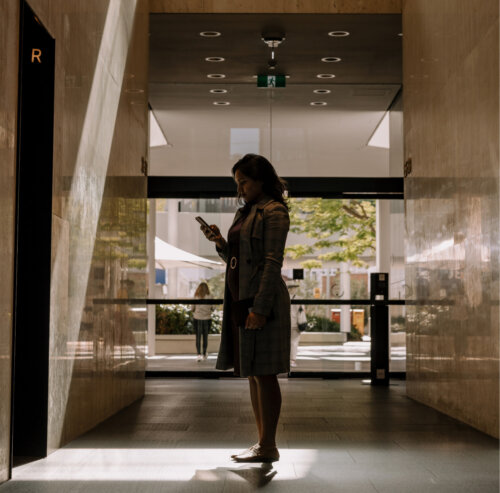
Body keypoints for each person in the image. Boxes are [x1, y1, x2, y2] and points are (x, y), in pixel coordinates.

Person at [200, 153, 290, 463]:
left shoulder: (274, 212)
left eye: (244, 182)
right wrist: (222, 244)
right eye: (237, 183)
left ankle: (268, 445)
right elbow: (239, 262)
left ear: (261, 180)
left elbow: (271, 262)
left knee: (264, 373)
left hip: (261, 300)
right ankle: (262, 442)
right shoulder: (246, 212)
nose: (240, 188)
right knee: (252, 373)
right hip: (242, 298)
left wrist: (261, 308)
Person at [192, 282, 212, 361]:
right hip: (207, 319)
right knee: (205, 337)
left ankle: (198, 354)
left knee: (198, 337)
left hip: (197, 318)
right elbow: (213, 308)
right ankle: (204, 353)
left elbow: (192, 308)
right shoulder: (210, 296)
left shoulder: (196, 296)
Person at [287, 282, 305, 368]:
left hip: (285, 324)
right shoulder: (299, 299)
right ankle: (292, 360)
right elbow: (302, 313)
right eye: (294, 288)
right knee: (294, 342)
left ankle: (286, 360)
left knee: (285, 343)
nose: (295, 289)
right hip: (296, 324)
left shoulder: (283, 298)